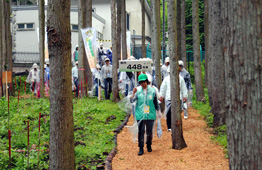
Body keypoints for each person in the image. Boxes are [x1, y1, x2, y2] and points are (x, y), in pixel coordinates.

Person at [130, 74, 161, 156]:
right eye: (141, 82)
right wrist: (133, 93)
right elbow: (132, 100)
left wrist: (158, 111)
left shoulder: (153, 91)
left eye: (144, 82)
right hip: (140, 114)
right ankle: (141, 147)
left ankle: (149, 145)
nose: (143, 84)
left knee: (149, 131)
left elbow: (155, 102)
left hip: (150, 114)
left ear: (147, 82)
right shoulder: (138, 91)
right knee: (141, 131)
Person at [159, 65, 188, 131]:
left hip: (179, 98)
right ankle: (169, 127)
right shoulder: (166, 79)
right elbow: (163, 88)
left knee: (178, 112)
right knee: (169, 112)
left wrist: (185, 96)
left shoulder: (180, 78)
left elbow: (183, 88)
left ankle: (177, 126)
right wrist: (161, 96)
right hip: (169, 98)